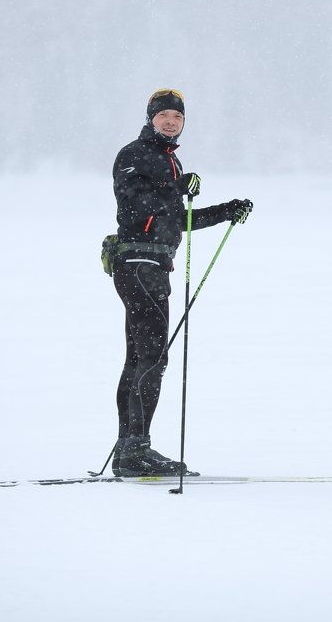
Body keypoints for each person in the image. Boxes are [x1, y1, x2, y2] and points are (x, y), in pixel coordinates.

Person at [107, 88, 253, 477]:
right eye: (164, 116)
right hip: (137, 264)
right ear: (150, 119)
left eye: (177, 117)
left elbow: (171, 219)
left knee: (141, 358)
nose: (171, 122)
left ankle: (129, 449)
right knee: (152, 357)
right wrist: (177, 187)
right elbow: (134, 207)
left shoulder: (169, 160)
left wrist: (225, 211)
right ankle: (134, 450)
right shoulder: (133, 154)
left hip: (152, 266)